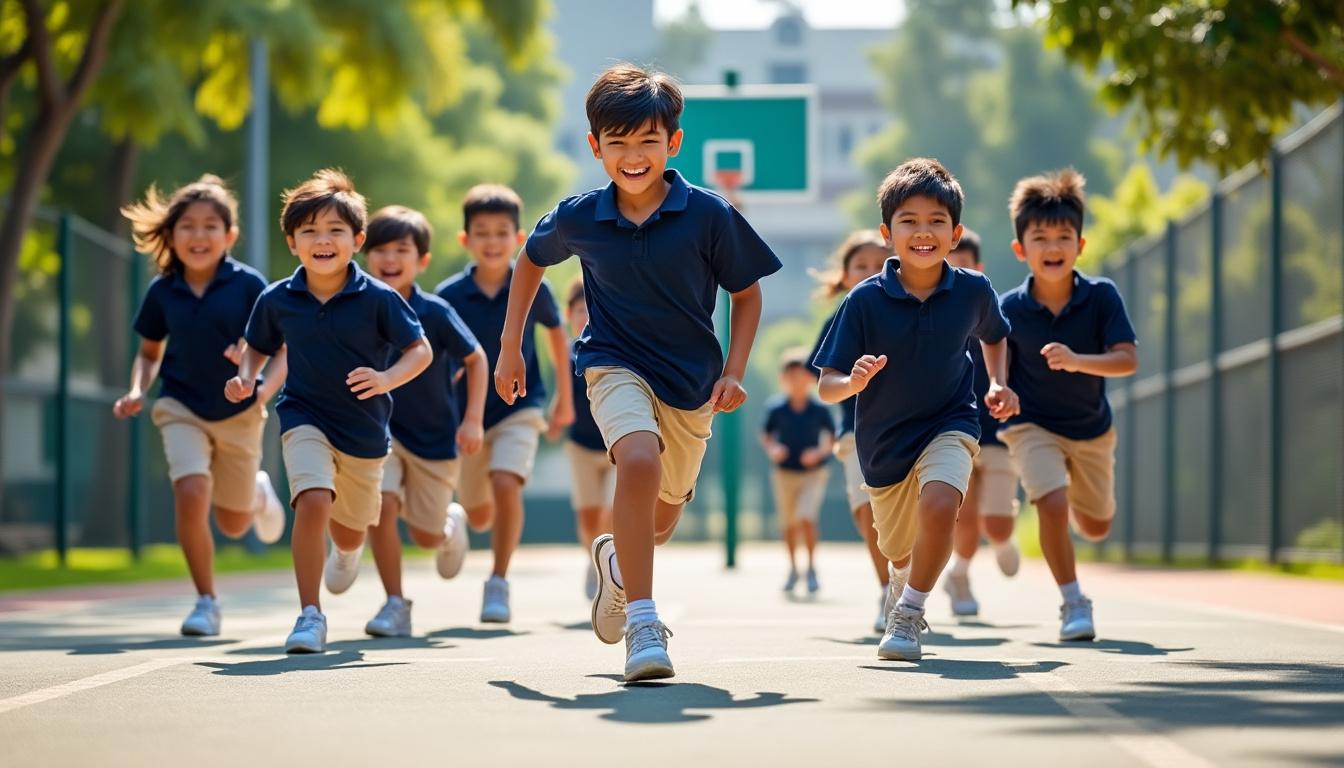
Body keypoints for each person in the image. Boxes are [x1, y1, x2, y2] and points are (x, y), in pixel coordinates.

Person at [496, 64, 781, 681]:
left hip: (692, 384)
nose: (633, 155)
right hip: (613, 362)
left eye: (647, 140)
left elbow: (748, 294)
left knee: (662, 518)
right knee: (639, 461)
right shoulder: (579, 217)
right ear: (595, 146)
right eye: (617, 143)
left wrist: (734, 371)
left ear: (673, 143)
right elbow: (529, 261)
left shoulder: (709, 214)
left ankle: (618, 561)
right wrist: (511, 345)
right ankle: (644, 625)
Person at [814, 157, 1017, 661]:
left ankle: (909, 613)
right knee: (897, 549)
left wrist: (997, 382)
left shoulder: (972, 290)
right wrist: (853, 381)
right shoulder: (864, 301)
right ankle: (903, 580)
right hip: (882, 446)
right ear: (887, 232)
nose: (923, 232)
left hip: (951, 422)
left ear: (955, 233)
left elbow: (995, 337)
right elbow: (827, 387)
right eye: (909, 221)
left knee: (942, 505)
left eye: (936, 222)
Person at [225, 169, 432, 653]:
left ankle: (348, 547)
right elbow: (257, 347)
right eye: (310, 232)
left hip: (364, 430)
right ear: (292, 242)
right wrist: (248, 376)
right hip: (303, 414)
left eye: (335, 230)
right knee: (313, 500)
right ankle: (309, 615)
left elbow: (419, 351)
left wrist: (385, 379)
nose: (323, 240)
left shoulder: (379, 298)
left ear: (357, 240)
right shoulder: (277, 299)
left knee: (349, 525)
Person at [115, 174, 288, 637]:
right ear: (171, 235)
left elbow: (283, 350)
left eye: (211, 226)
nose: (198, 235)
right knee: (190, 492)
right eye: (187, 226)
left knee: (233, 524)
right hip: (180, 405)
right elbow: (149, 354)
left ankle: (255, 491)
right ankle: (206, 601)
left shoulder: (250, 285)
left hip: (238, 414)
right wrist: (137, 390)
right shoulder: (162, 290)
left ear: (229, 235)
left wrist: (259, 390)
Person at [997, 169, 1138, 641]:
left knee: (1096, 526)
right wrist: (1001, 389)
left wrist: (1078, 361)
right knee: (1051, 505)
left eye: (1063, 236)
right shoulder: (1009, 310)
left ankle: (1076, 501)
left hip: (1092, 429)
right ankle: (1074, 602)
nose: (1052, 246)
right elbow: (994, 363)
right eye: (1040, 237)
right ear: (1021, 249)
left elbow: (1127, 360)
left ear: (1081, 244)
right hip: (1032, 427)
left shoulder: (1101, 298)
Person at [345, 205, 488, 638]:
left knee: (425, 537)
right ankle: (395, 602)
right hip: (379, 432)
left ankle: (448, 524)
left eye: (401, 250)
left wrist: (474, 420)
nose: (390, 260)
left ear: (421, 260)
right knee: (381, 507)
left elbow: (476, 358)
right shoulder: (354, 307)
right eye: (381, 250)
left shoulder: (436, 311)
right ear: (364, 255)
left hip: (434, 438)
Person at [435, 184, 573, 624]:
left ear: (518, 238)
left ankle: (498, 581)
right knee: (479, 516)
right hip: (468, 416)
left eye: (501, 232)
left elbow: (557, 337)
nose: (492, 241)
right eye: (481, 232)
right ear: (465, 240)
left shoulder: (534, 285)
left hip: (522, 405)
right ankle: (458, 521)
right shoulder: (449, 295)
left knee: (506, 482)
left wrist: (563, 400)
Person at [939, 228, 1024, 617]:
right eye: (948, 266)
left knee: (997, 524)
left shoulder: (997, 323)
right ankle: (960, 575)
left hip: (997, 433)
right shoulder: (929, 323)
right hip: (953, 433)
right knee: (966, 517)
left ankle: (1004, 542)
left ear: (979, 271)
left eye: (964, 266)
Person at [808, 230, 889, 631]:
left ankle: (912, 584)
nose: (872, 272)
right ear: (844, 276)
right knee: (866, 516)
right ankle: (888, 591)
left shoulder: (912, 312)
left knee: (907, 517)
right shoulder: (838, 320)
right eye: (861, 266)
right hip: (855, 433)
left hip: (908, 430)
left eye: (880, 264)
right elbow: (822, 381)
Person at [761, 351, 836, 595]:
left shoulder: (819, 409)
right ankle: (794, 569)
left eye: (801, 376)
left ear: (810, 379)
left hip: (813, 474)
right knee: (789, 524)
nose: (797, 381)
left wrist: (818, 453)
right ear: (784, 379)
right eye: (791, 376)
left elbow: (831, 438)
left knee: (806, 516)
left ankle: (812, 568)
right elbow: (767, 435)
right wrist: (774, 449)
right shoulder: (776, 408)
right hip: (784, 475)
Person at [562, 278, 614, 600]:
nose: (586, 316)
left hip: (615, 448)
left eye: (592, 310)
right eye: (580, 310)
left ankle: (612, 569)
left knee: (611, 512)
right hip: (580, 446)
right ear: (570, 315)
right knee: (589, 518)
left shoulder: (615, 352)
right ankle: (592, 562)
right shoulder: (566, 354)